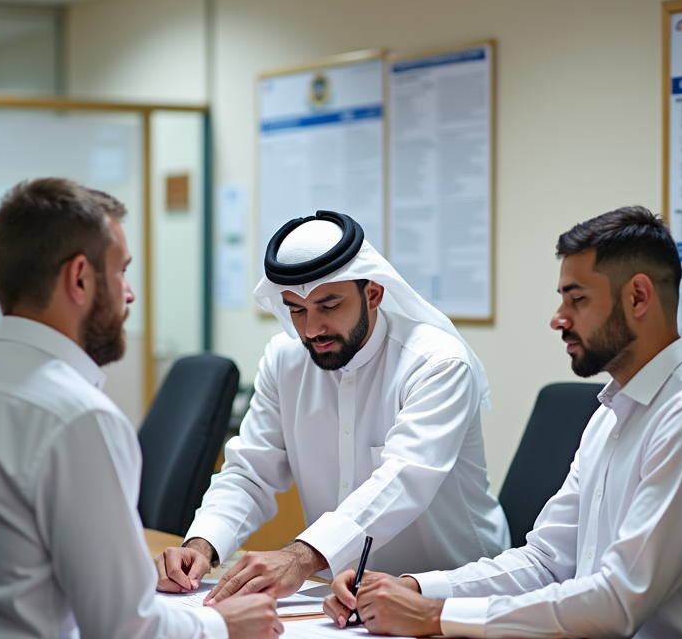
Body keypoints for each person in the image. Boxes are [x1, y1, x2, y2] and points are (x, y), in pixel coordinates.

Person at [0, 178, 282, 639]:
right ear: (80, 278)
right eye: (122, 270)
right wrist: (222, 623)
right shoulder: (77, 416)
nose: (129, 293)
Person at [323, 206, 682, 639]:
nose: (558, 318)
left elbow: (617, 602)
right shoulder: (613, 413)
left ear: (637, 297)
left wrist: (434, 617)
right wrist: (413, 587)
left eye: (577, 300)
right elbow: (545, 563)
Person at [157, 210, 510, 603]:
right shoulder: (285, 360)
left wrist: (300, 557)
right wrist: (203, 543)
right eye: (296, 309)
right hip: (341, 600)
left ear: (373, 294)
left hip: (450, 593)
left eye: (329, 306)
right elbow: (251, 472)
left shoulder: (437, 364)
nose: (311, 330)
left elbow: (402, 481)